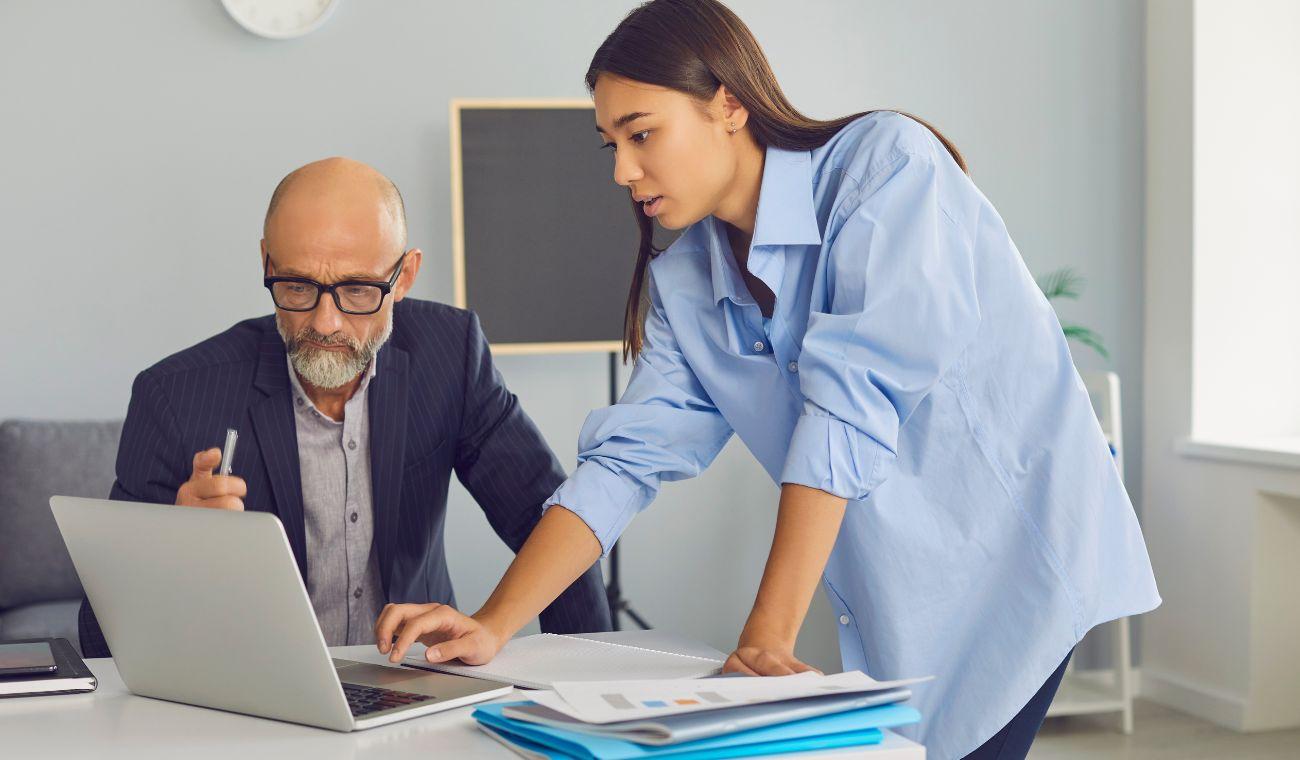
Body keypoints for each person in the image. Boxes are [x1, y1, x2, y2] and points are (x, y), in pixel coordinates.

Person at [374, 2, 1159, 757]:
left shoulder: (885, 167)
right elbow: (625, 462)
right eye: (609, 144)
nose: (622, 170)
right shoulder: (684, 277)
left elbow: (849, 407)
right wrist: (494, 622)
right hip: (906, 593)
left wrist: (767, 639)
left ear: (729, 104)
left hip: (1019, 556)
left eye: (641, 134)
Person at [78, 157, 610, 657]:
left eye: (357, 290)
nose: (326, 323)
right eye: (297, 285)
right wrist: (171, 553)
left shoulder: (451, 355)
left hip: (411, 689)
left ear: (403, 276)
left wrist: (586, 680)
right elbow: (100, 637)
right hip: (252, 704)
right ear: (267, 262)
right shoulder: (173, 395)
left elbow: (551, 525)